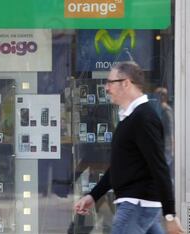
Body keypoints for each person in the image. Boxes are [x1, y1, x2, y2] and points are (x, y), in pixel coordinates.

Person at [73, 62, 185, 234]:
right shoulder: (131, 118)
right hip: (139, 204)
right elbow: (120, 167)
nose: (106, 88)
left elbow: (159, 166)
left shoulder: (143, 118)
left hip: (137, 205)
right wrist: (93, 195)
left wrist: (170, 214)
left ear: (125, 83)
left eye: (110, 82)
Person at [154, 87, 174, 178]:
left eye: (158, 96)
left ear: (163, 97)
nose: (156, 99)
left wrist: (172, 145)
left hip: (167, 145)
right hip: (162, 144)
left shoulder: (167, 110)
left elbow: (171, 128)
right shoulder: (161, 110)